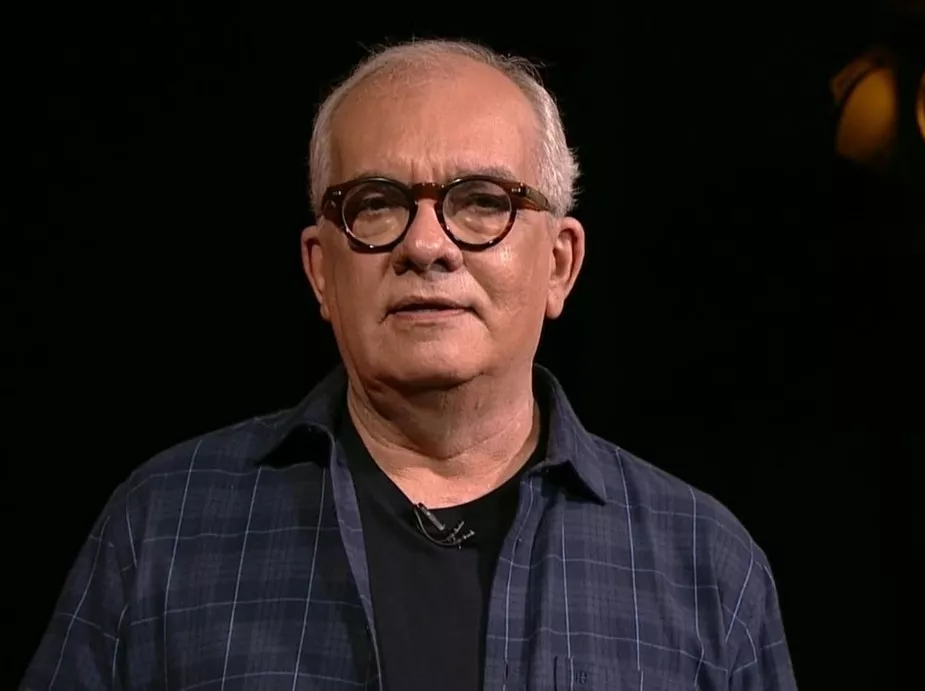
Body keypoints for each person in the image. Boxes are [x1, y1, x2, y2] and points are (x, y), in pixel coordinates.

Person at [21, 39, 797, 691]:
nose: (426, 245)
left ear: (560, 264)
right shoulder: (164, 526)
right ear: (321, 271)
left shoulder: (704, 564)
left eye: (483, 201)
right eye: (377, 203)